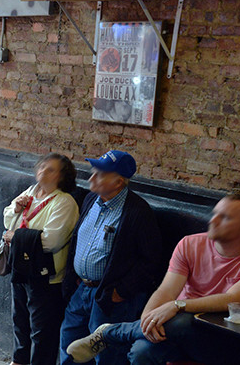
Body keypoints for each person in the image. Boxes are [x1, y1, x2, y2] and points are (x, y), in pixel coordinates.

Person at [66, 193, 240, 364]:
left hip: (221, 336)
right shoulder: (190, 244)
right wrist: (149, 320)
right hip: (172, 325)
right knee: (142, 351)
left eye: (225, 217)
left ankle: (112, 332)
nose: (212, 221)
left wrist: (178, 306)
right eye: (214, 213)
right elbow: (166, 291)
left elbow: (232, 299)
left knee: (185, 320)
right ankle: (128, 330)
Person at [59, 150, 164, 365]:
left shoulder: (137, 212)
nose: (91, 178)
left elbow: (151, 261)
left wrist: (121, 291)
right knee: (69, 345)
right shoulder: (90, 200)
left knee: (107, 355)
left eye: (99, 174)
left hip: (111, 297)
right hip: (83, 290)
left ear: (118, 182)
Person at [1, 153, 80, 365]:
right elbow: (8, 218)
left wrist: (15, 237)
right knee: (20, 322)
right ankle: (19, 361)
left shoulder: (65, 203)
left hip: (45, 277)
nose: (43, 171)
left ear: (62, 177)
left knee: (42, 332)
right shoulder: (30, 192)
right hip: (21, 269)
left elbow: (51, 241)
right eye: (43, 166)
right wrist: (16, 208)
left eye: (51, 169)